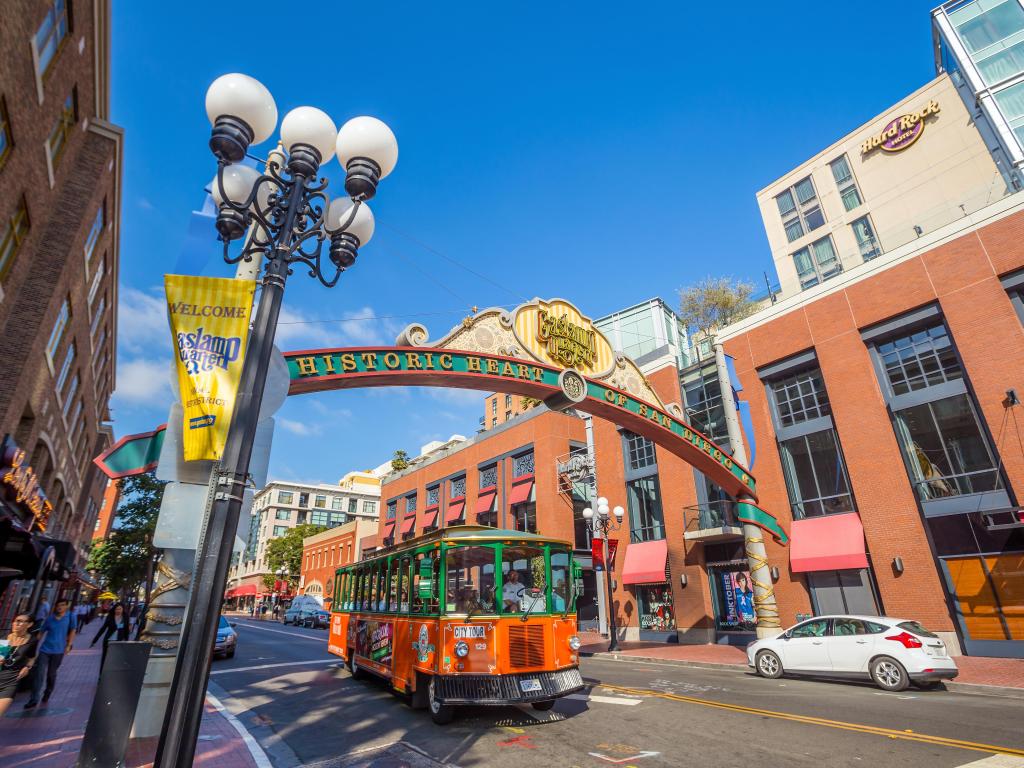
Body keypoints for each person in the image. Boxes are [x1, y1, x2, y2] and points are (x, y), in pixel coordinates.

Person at [26, 598, 75, 709]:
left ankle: (48, 692)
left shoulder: (71, 617)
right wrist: (31, 644)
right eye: (58, 605)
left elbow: (73, 631)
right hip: (45, 650)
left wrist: (68, 645)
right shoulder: (50, 619)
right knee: (39, 674)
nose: (60, 607)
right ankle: (33, 699)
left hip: (59, 650)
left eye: (63, 605)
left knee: (51, 674)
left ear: (66, 606)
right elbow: (41, 633)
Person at [0, 614, 38, 717]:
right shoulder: (4, 638)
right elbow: (0, 656)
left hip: (11, 681)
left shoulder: (32, 641)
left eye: (21, 621)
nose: (16, 623)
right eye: (15, 620)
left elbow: (32, 657)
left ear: (29, 624)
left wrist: (27, 667)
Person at [90, 602, 130, 671]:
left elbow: (126, 630)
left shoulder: (126, 617)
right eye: (116, 609)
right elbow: (103, 628)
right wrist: (95, 639)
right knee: (105, 659)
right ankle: (101, 675)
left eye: (120, 609)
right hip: (108, 641)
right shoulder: (110, 616)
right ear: (114, 610)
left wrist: (126, 641)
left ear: (123, 609)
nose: (118, 611)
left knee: (115, 659)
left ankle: (110, 675)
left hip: (118, 642)